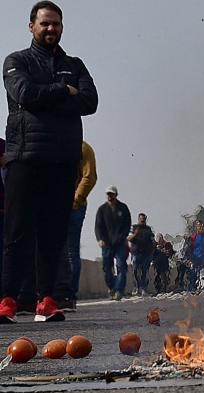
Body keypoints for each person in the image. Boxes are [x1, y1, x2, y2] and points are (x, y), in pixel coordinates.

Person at [0, 1, 98, 323]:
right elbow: (25, 93)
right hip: (24, 159)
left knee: (53, 235)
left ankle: (46, 300)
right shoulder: (16, 61)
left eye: (56, 24)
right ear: (32, 27)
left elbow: (89, 101)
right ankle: (8, 300)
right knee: (17, 233)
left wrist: (54, 97)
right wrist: (63, 92)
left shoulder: (75, 63)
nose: (51, 29)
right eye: (45, 24)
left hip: (62, 162)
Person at [54, 140, 97, 311]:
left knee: (71, 250)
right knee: (55, 249)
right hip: (54, 205)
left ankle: (69, 295)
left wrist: (76, 199)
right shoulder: (53, 145)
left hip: (73, 206)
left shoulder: (83, 148)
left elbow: (89, 176)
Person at [95, 186, 131, 301]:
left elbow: (127, 224)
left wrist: (123, 237)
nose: (110, 197)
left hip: (120, 243)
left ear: (116, 195)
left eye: (112, 194)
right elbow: (98, 226)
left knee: (121, 265)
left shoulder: (123, 208)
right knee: (107, 267)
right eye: (108, 194)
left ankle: (119, 290)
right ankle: (111, 287)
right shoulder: (102, 209)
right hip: (107, 244)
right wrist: (100, 239)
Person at [128, 213, 154, 296]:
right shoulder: (134, 227)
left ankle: (144, 289)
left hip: (146, 253)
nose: (142, 221)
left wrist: (152, 248)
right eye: (141, 219)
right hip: (136, 252)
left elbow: (152, 239)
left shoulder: (148, 229)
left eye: (144, 219)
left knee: (144, 272)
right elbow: (128, 238)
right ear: (138, 219)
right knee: (135, 271)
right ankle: (136, 287)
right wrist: (135, 234)